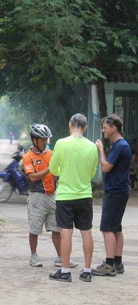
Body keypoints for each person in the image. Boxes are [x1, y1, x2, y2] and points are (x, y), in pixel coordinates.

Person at [48, 113, 98, 283]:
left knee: (66, 232)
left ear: (70, 125)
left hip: (65, 195)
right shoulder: (92, 147)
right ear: (86, 127)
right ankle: (87, 271)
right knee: (86, 232)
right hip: (85, 195)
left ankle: (65, 271)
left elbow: (53, 170)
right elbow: (92, 173)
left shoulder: (61, 144)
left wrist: (65, 171)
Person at [23, 123, 77, 268]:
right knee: (34, 229)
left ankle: (61, 257)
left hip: (53, 195)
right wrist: (50, 168)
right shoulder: (28, 157)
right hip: (37, 197)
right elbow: (32, 177)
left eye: (46, 139)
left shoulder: (52, 153)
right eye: (42, 139)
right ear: (34, 140)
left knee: (56, 229)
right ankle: (33, 256)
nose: (45, 142)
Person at [92, 114, 131, 276]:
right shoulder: (121, 145)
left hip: (115, 192)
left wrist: (101, 150)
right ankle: (117, 262)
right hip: (120, 191)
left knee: (107, 228)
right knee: (116, 229)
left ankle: (109, 264)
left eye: (105, 127)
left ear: (114, 128)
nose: (103, 131)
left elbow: (106, 167)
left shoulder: (120, 145)